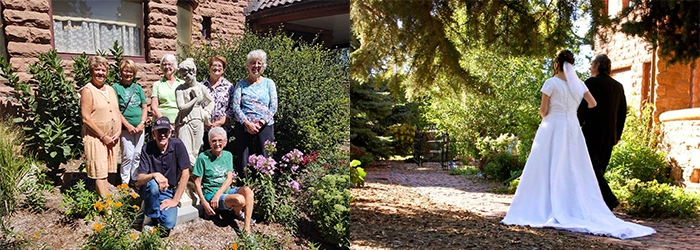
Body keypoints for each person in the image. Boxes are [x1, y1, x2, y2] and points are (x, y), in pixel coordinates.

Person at [501, 50, 655, 239]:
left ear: (557, 64)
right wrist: (571, 113)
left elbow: (543, 111)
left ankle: (547, 203)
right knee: (574, 167)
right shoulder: (580, 85)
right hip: (573, 128)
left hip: (553, 126)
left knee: (549, 164)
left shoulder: (551, 83)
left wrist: (555, 114)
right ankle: (574, 203)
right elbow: (592, 103)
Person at [577, 54, 627, 210]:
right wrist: (617, 134)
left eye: (592, 64)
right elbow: (622, 113)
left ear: (598, 65)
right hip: (610, 135)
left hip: (592, 132)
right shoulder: (618, 86)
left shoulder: (590, 83)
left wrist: (576, 126)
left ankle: (609, 199)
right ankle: (597, 203)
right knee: (599, 170)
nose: (590, 67)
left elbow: (582, 108)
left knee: (590, 168)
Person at [192, 127, 255, 234]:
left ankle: (246, 227)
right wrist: (204, 202)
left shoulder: (228, 155)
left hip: (225, 192)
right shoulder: (203, 157)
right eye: (214, 141)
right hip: (210, 194)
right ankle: (237, 212)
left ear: (225, 142)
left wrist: (218, 194)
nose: (217, 144)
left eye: (220, 140)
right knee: (240, 200)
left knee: (248, 191)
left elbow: (229, 179)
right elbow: (197, 182)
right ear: (209, 142)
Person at [136, 117, 191, 237]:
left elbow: (185, 173)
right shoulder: (147, 148)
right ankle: (148, 219)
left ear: (170, 132)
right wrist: (154, 175)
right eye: (159, 131)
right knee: (152, 184)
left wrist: (175, 200)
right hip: (149, 190)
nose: (162, 135)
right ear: (153, 133)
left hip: (168, 191)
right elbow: (140, 179)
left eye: (165, 131)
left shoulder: (177, 145)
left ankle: (148, 207)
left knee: (168, 223)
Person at [231, 49, 278, 182]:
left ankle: (264, 185)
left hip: (265, 126)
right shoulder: (241, 84)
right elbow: (235, 106)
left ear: (263, 66)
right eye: (252, 63)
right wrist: (247, 123)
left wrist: (261, 123)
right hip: (244, 126)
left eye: (259, 63)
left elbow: (273, 106)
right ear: (247, 65)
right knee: (243, 157)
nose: (256, 66)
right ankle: (244, 186)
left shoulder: (269, 83)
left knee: (266, 156)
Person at [80, 56, 121, 197]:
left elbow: (117, 111)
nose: (100, 73)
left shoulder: (110, 89)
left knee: (108, 170)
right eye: (97, 69)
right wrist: (103, 136)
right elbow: (86, 118)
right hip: (96, 136)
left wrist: (119, 130)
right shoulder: (87, 90)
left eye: (103, 70)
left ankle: (106, 200)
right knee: (100, 172)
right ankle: (107, 208)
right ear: (91, 71)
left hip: (112, 137)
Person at [113, 59, 148, 186]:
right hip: (125, 128)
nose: (128, 74)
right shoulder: (116, 88)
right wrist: (127, 125)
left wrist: (142, 123)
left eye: (131, 72)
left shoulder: (137, 88)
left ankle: (135, 178)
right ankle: (124, 181)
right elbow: (115, 110)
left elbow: (144, 107)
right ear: (121, 72)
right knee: (127, 155)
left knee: (138, 154)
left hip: (139, 128)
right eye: (126, 71)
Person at [175, 58, 215, 165]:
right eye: (182, 76)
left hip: (198, 120)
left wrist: (206, 112)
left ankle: (194, 179)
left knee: (195, 152)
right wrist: (194, 100)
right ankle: (185, 177)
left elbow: (211, 102)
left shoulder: (201, 88)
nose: (184, 78)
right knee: (185, 151)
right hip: (185, 122)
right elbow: (181, 107)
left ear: (193, 72)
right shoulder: (180, 89)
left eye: (186, 75)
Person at [201, 55, 235, 151]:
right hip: (204, 129)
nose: (217, 68)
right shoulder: (201, 86)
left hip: (222, 129)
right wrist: (205, 122)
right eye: (214, 65)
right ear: (209, 67)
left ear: (223, 69)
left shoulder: (229, 87)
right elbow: (196, 105)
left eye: (220, 66)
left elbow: (232, 107)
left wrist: (221, 122)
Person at [151, 54, 184, 124]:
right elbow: (154, 108)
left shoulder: (182, 84)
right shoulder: (157, 84)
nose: (167, 67)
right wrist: (165, 123)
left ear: (174, 66)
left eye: (170, 64)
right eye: (164, 64)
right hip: (161, 124)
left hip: (180, 123)